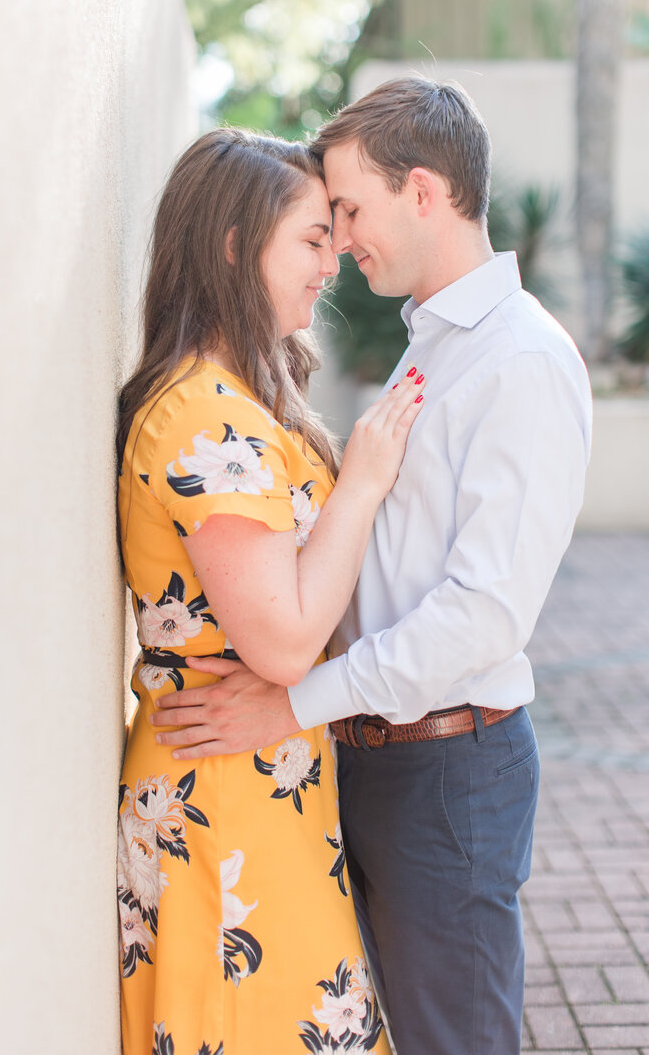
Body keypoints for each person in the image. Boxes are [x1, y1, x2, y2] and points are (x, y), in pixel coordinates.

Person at [151, 78, 593, 1055]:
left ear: (423, 192)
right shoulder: (431, 347)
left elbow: (481, 617)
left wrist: (292, 702)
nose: (341, 238)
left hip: (446, 772)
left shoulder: (518, 360)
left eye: (349, 208)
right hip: (378, 759)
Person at [116, 127, 426, 1055]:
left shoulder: (239, 400)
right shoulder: (205, 415)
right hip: (223, 794)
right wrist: (364, 479)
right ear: (228, 245)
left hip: (258, 780)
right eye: (309, 239)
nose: (331, 262)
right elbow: (285, 644)